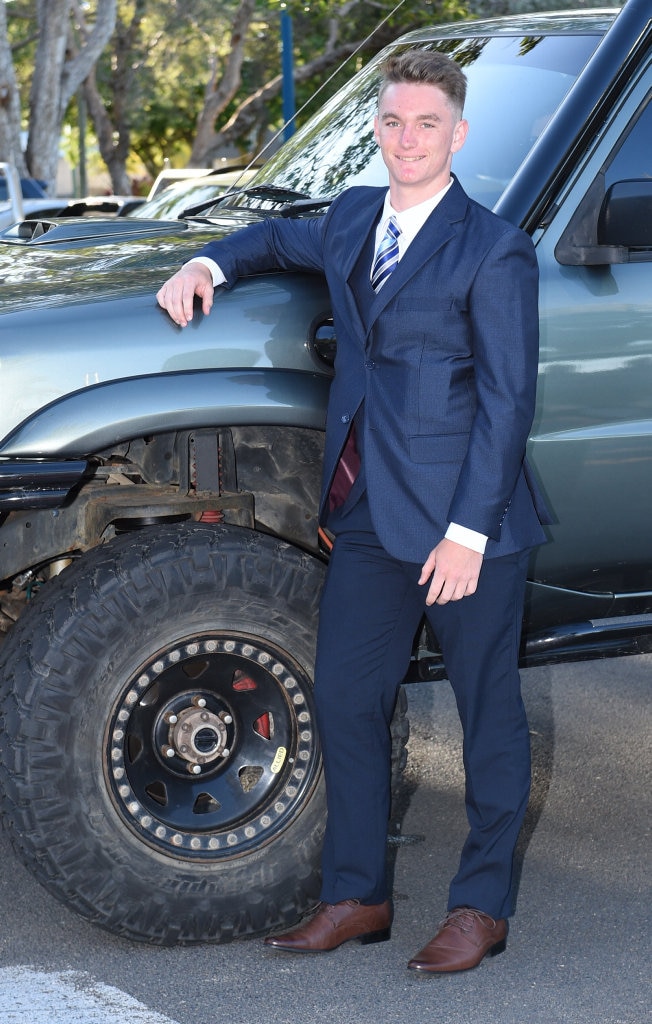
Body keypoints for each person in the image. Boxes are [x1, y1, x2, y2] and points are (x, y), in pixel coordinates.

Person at [156, 49, 550, 974]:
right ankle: (357, 895)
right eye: (391, 122)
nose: (406, 140)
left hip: (467, 525)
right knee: (343, 698)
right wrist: (207, 260)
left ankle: (480, 908)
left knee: (489, 713)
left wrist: (467, 533)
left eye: (425, 124)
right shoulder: (352, 218)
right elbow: (272, 240)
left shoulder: (496, 249)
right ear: (376, 128)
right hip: (370, 509)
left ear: (457, 134)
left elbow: (507, 402)